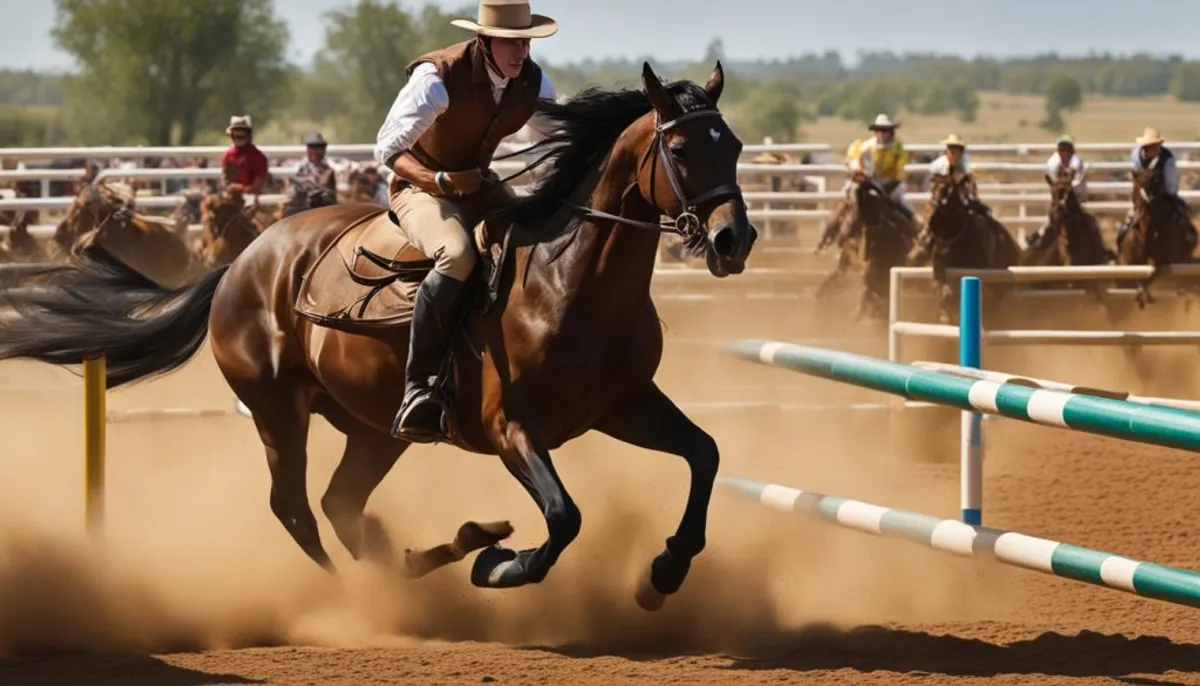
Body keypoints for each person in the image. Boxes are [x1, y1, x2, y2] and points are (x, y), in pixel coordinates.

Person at [373, 0, 559, 443]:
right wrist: (439, 179)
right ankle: (418, 388)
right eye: (511, 42)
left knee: (536, 243)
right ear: (484, 40)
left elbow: (560, 138)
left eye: (526, 41)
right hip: (418, 188)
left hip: (479, 185)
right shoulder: (436, 78)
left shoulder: (533, 81)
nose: (521, 52)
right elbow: (387, 149)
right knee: (456, 255)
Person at [1116, 127, 1193, 248]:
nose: (1152, 148)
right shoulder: (1136, 156)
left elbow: (1171, 185)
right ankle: (1121, 241)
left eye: (1154, 145)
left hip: (1163, 195)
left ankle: (1188, 239)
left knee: (1181, 213)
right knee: (1130, 218)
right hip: (1141, 195)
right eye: (1149, 145)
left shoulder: (1167, 159)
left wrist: (1164, 193)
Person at [849, 114, 912, 215]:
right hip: (869, 182)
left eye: (885, 130)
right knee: (854, 198)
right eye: (878, 130)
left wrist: (898, 174)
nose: (881, 133)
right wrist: (859, 171)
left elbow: (901, 165)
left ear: (890, 131)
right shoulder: (867, 146)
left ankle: (912, 222)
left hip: (892, 184)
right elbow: (857, 160)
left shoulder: (897, 146)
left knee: (897, 202)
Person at [220, 115, 269, 197]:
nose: (239, 135)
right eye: (236, 133)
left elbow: (257, 186)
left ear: (248, 135)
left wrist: (239, 190)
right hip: (232, 198)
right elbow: (225, 180)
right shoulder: (228, 156)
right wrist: (229, 189)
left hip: (252, 198)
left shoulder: (258, 157)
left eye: (242, 133)